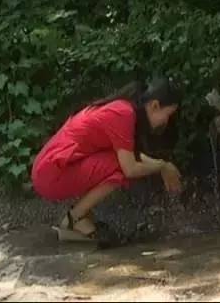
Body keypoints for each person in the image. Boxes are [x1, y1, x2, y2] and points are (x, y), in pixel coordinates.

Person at [31, 77, 184, 242]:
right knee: (120, 167)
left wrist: (164, 166)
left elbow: (132, 156)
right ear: (154, 105)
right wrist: (162, 166)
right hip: (51, 174)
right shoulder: (123, 114)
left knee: (117, 162)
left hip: (49, 170)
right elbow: (130, 168)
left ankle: (80, 217)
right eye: (168, 114)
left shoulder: (123, 110)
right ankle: (73, 220)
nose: (166, 122)